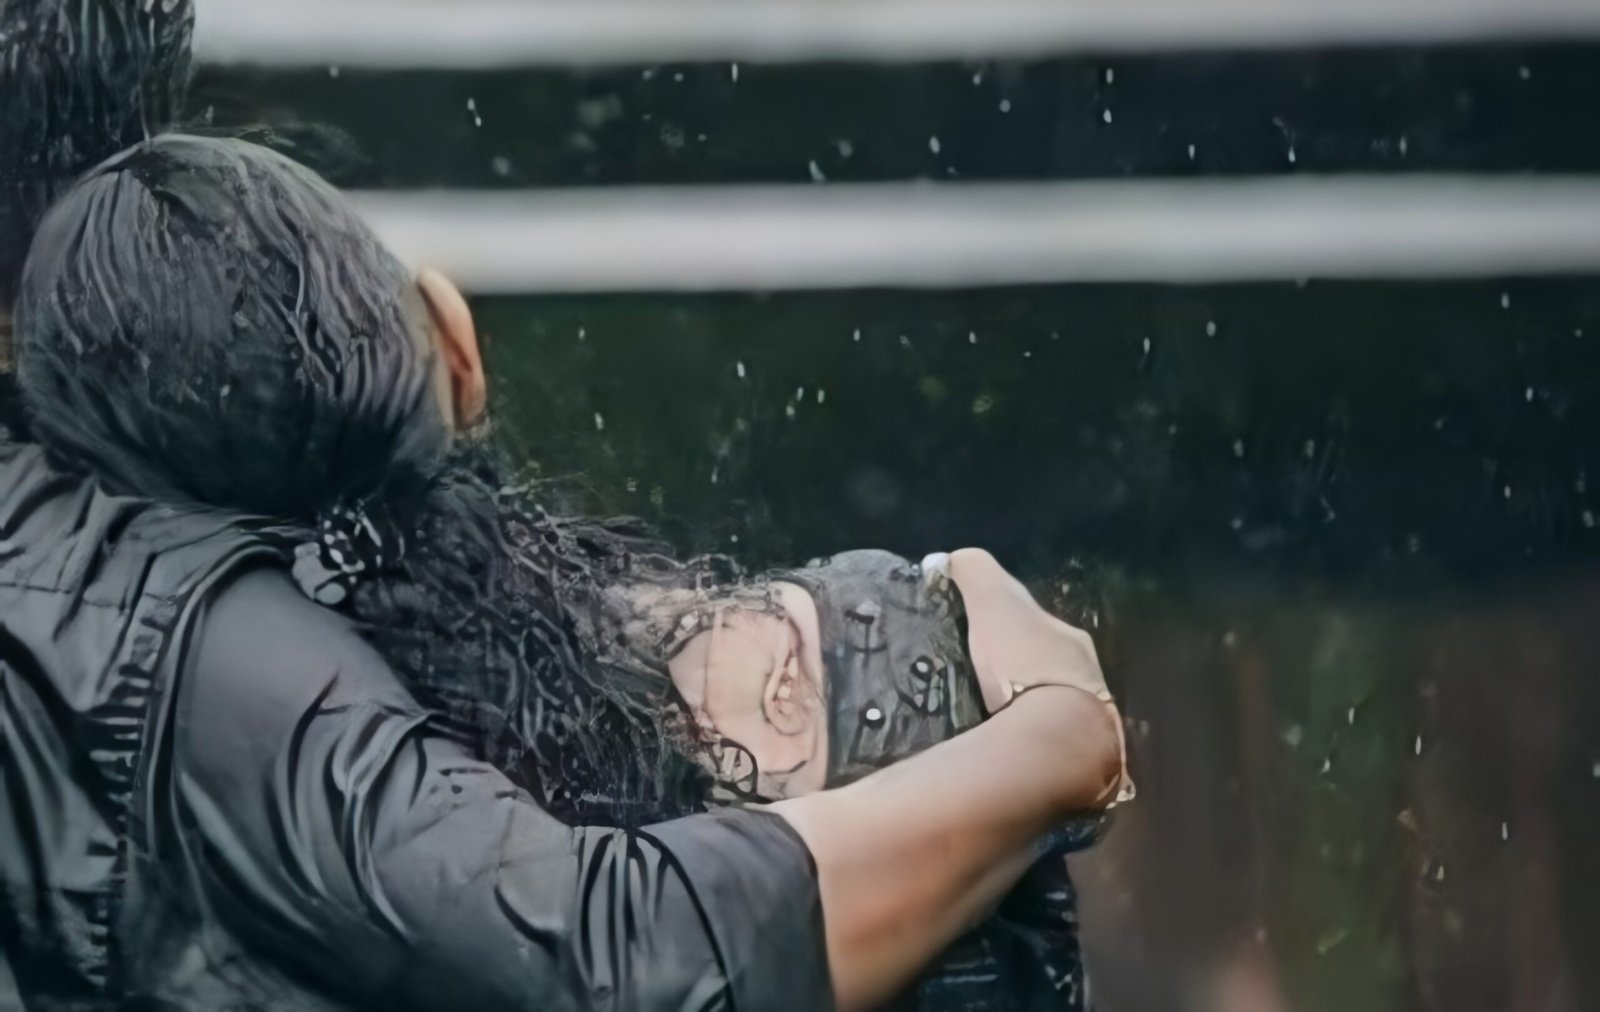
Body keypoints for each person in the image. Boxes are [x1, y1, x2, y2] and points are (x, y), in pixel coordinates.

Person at [0, 5, 1130, 1010]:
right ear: (455, 349)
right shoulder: (203, 647)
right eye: (764, 618)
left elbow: (606, 951)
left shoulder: (211, 652)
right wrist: (1050, 742)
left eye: (783, 663)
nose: (674, 628)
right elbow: (609, 952)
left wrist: (1050, 749)